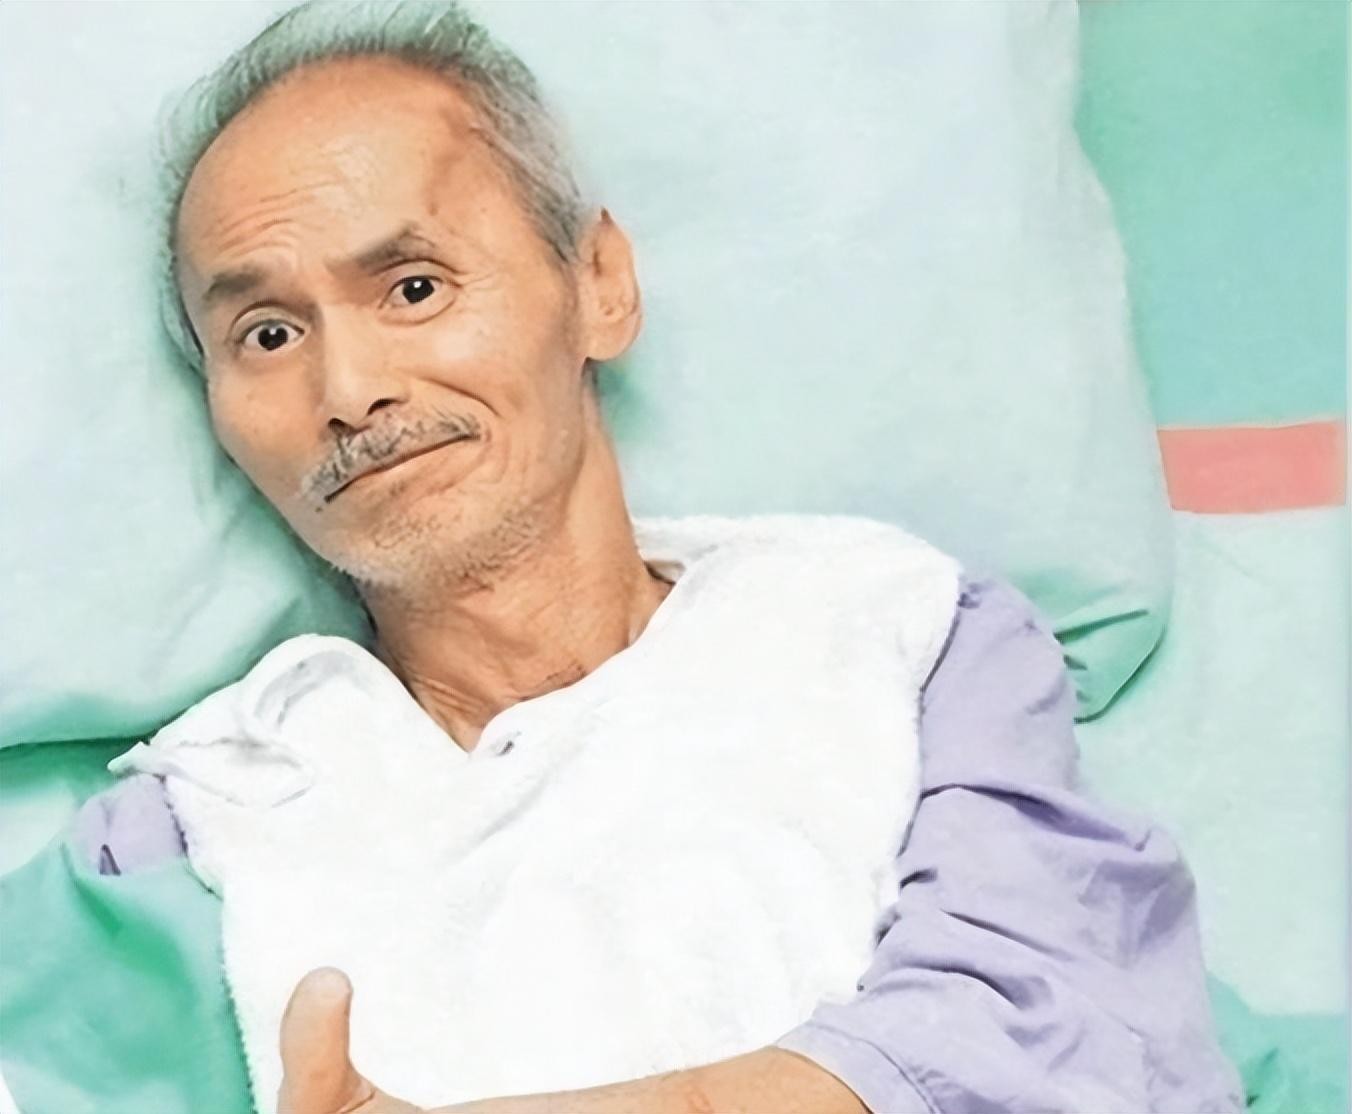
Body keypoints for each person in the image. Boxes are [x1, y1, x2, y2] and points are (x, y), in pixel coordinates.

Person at [13, 2, 1244, 1112]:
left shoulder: (901, 634)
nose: (348, 389)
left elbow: (1061, 1032)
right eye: (268, 333)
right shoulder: (192, 825)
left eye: (414, 287)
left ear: (597, 282)